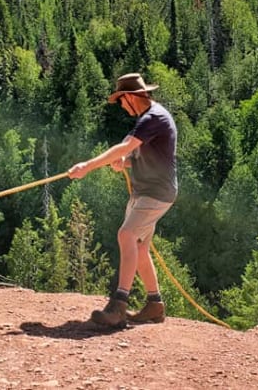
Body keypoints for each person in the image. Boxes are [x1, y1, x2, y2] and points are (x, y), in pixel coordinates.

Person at [68, 72, 178, 328]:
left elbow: (123, 146)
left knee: (126, 235)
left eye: (121, 100)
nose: (120, 106)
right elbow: (140, 154)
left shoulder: (152, 118)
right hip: (149, 191)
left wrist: (88, 166)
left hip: (155, 193)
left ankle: (118, 306)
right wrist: (127, 162)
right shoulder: (152, 117)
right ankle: (154, 305)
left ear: (129, 97)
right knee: (139, 247)